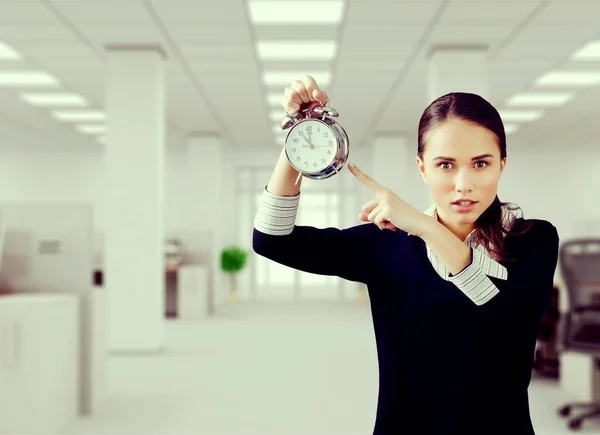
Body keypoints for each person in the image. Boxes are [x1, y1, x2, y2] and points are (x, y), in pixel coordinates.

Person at [252, 75, 559, 435]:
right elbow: (270, 239)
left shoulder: (534, 240)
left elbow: (505, 315)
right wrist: (300, 135)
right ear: (422, 167)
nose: (463, 184)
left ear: (502, 164)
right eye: (446, 164)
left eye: (480, 163)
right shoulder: (385, 246)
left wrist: (425, 227)